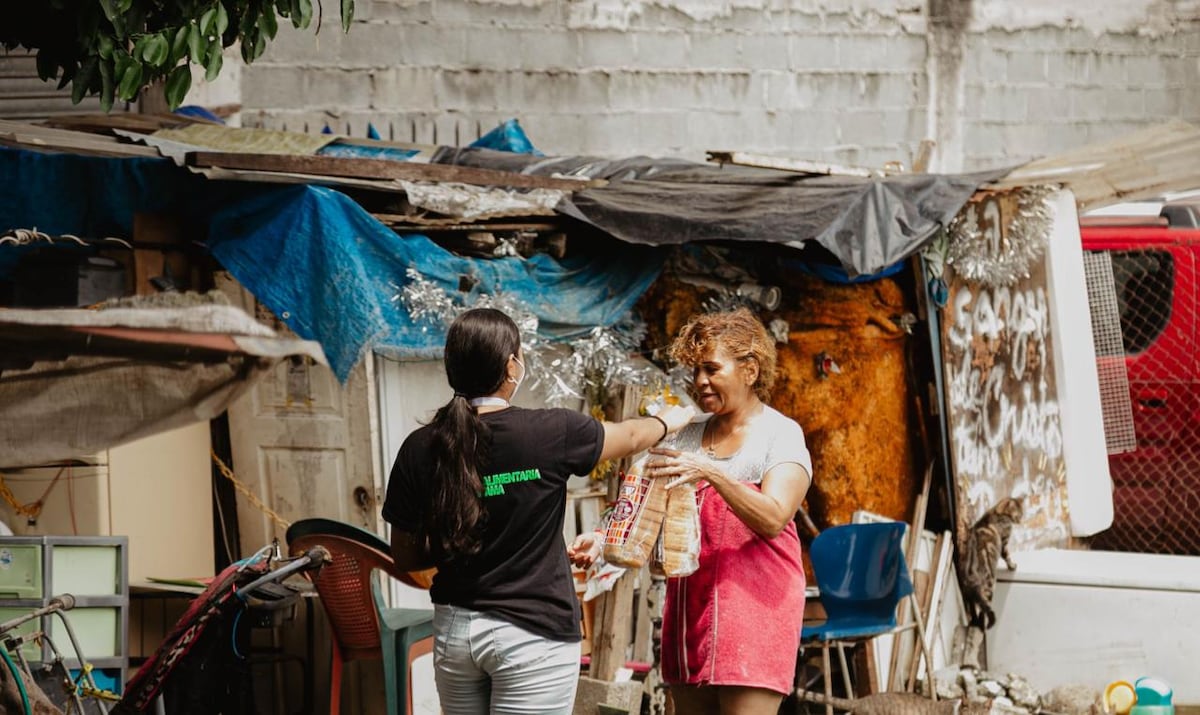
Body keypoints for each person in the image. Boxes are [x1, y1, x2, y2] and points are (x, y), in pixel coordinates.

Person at [381, 307, 694, 715]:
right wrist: (670, 420)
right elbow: (633, 434)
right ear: (512, 366)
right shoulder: (553, 432)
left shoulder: (419, 446)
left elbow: (405, 556)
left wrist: (464, 538)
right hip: (534, 636)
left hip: (457, 634)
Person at [649, 307, 813, 714]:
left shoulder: (780, 433)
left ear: (750, 370)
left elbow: (775, 517)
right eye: (695, 370)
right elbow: (650, 514)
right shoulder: (686, 433)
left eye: (711, 368)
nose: (700, 381)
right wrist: (601, 542)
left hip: (753, 612)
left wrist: (709, 471)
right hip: (689, 609)